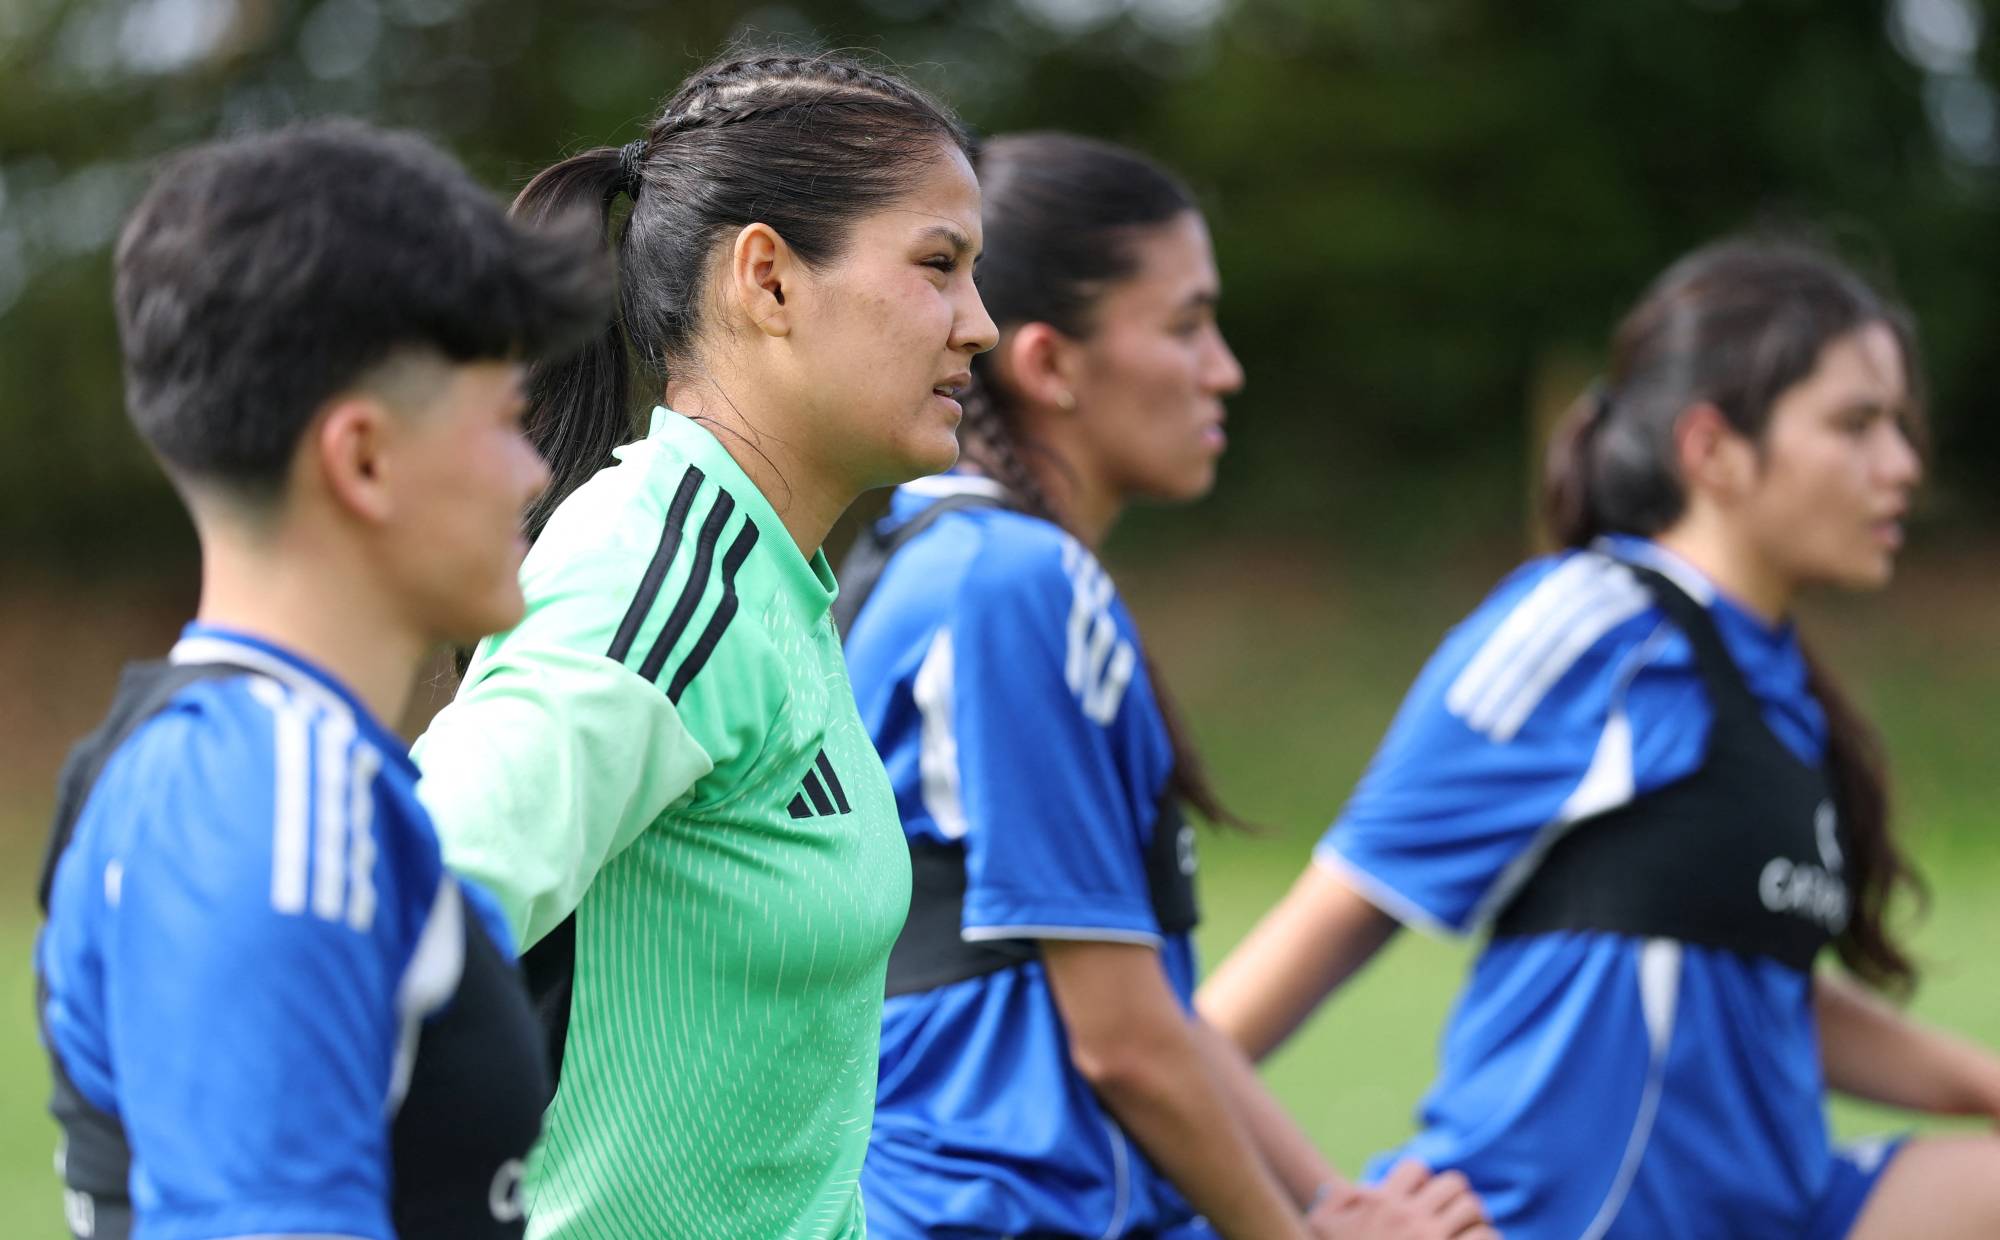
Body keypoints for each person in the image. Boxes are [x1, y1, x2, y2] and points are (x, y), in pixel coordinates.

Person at [1196, 238, 2000, 1238]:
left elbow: (1754, 987)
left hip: (1773, 1211)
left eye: (1899, 426)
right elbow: (1248, 996)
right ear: (1711, 449)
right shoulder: (1588, 632)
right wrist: (1329, 1211)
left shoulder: (1780, 686)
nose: (1902, 467)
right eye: (1855, 424)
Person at [837, 132, 1492, 1240]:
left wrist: (1338, 1205)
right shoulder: (1011, 581)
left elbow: (1153, 1008)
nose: (1223, 369)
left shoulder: (952, 554)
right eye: (1186, 327)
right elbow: (1123, 1045)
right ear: (1049, 365)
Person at [408, 49, 997, 1238]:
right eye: (938, 266)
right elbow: (386, 921)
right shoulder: (654, 569)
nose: (979, 325)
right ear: (767, 279)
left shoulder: (769, 580)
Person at [33, 119, 611, 1239]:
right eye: (506, 421)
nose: (534, 475)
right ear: (363, 458)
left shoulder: (251, 763)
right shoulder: (275, 795)